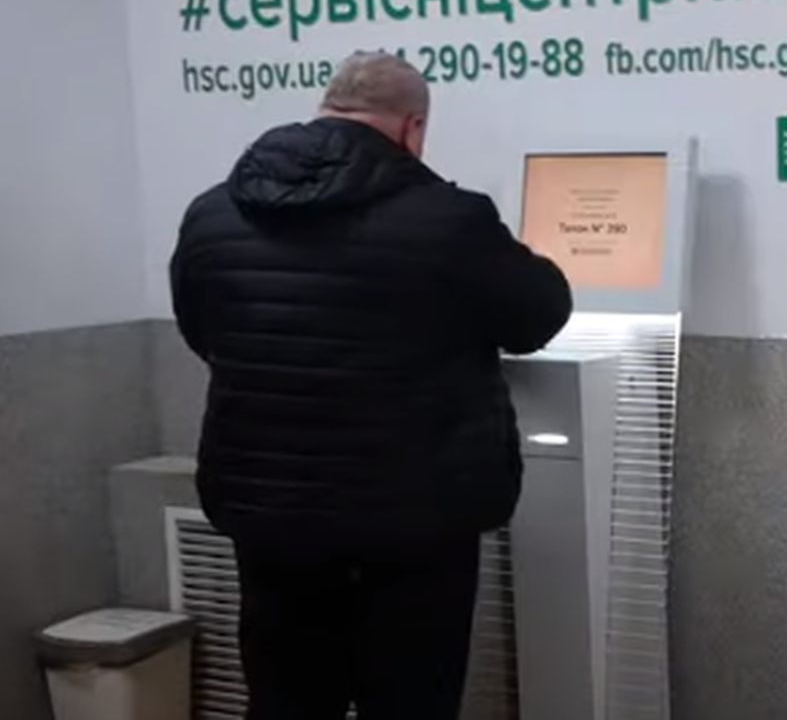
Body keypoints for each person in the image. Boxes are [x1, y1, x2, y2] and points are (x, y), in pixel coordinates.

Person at [169, 51, 572, 720]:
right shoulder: (450, 219)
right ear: (413, 128)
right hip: (415, 522)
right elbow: (539, 316)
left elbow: (201, 331)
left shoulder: (212, 214)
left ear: (326, 107)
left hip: (272, 521)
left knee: (287, 702)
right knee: (411, 702)